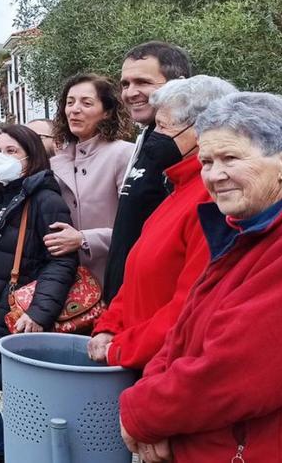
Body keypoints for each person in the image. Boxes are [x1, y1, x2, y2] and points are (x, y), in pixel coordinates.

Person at [119, 92, 282, 463]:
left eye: (231, 158)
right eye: (207, 161)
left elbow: (238, 373)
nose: (215, 175)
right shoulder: (245, 228)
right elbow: (182, 334)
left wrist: (141, 414)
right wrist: (151, 397)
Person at [88, 76, 236, 369]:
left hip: (164, 366)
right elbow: (136, 278)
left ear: (200, 131)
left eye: (164, 127)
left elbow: (190, 305)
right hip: (139, 357)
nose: (154, 136)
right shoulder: (176, 189)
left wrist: (122, 347)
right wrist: (108, 326)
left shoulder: (213, 200)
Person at [0, 125, 78, 399]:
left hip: (22, 317)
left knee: (25, 399)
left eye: (11, 151)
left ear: (32, 157)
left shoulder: (46, 200)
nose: (1, 157)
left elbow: (61, 261)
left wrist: (40, 313)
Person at [104, 41, 193, 301]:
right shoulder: (147, 138)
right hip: (124, 304)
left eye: (142, 82)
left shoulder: (182, 146)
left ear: (179, 85)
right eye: (125, 84)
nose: (131, 93)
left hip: (155, 310)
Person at [46, 74, 134, 287]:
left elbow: (138, 226)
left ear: (107, 112)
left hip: (115, 278)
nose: (75, 109)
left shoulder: (123, 154)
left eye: (86, 103)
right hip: (68, 285)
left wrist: (84, 239)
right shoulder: (57, 162)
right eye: (69, 102)